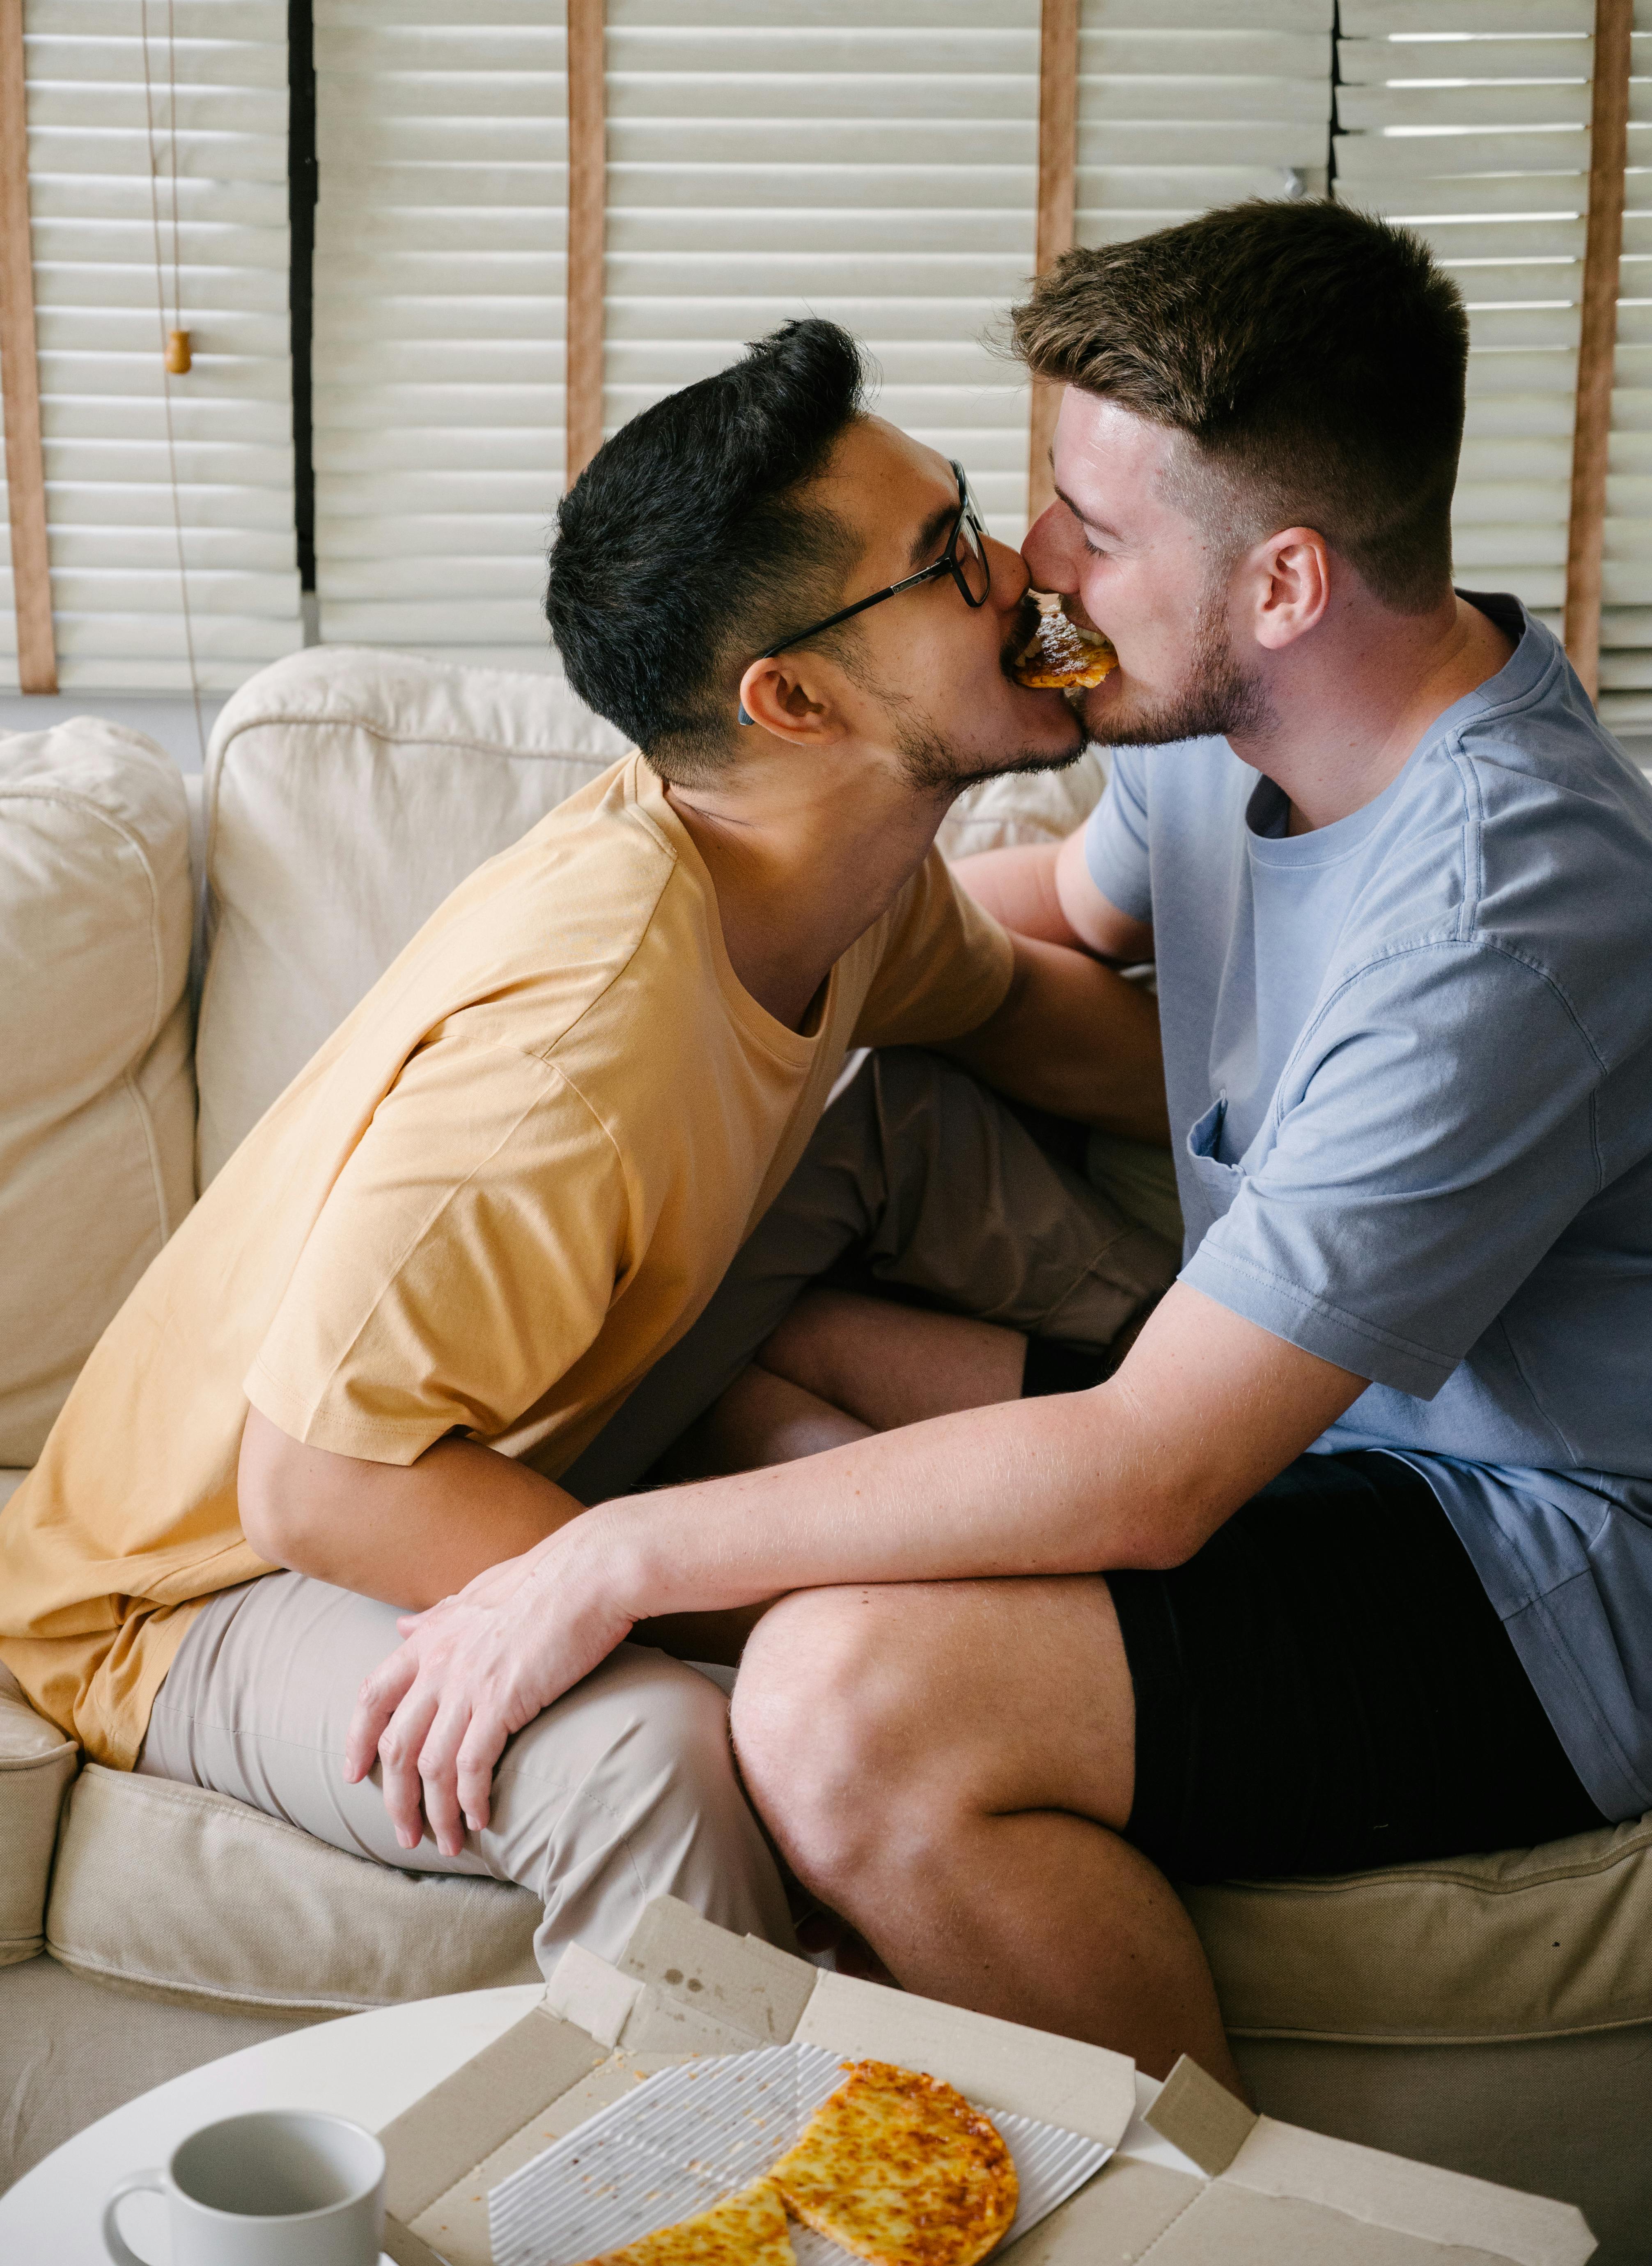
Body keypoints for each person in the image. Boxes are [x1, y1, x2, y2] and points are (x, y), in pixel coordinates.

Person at [345, 202, 1652, 2096]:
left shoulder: (1505, 915)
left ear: (1284, 582)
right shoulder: (1227, 734)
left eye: (1091, 527)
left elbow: (1150, 1475)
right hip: (1315, 1430)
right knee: (751, 1338)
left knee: (839, 1704)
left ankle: (1201, 2236)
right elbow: (1035, 912)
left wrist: (601, 1565)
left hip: (1539, 1557)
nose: (1030, 563)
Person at [0, 319, 1173, 1974]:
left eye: (964, 514)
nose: (1015, 570)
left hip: (495, 1433)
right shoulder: (573, 1055)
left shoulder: (838, 890)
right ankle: (707, 2206)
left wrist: (1353, 1162)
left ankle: (1241, 1431)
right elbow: (315, 1478)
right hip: (197, 1580)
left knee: (912, 1120)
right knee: (651, 1751)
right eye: (945, 557)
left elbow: (1047, 1034)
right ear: (794, 698)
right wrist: (725, 1582)